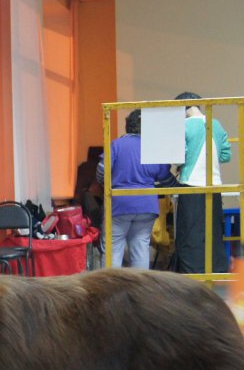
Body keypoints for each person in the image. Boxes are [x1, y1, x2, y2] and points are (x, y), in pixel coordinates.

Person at [95, 109, 173, 269]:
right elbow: (165, 177)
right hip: (147, 205)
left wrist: (104, 183)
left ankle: (109, 290)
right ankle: (140, 290)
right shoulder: (153, 147)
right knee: (140, 248)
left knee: (113, 249)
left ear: (127, 126)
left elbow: (102, 170)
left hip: (119, 204)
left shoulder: (117, 144)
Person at [173, 92, 232, 274]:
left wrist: (181, 166)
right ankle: (216, 270)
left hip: (191, 185)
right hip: (214, 185)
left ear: (184, 107)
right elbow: (226, 155)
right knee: (213, 232)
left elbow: (178, 155)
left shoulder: (183, 126)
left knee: (190, 234)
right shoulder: (216, 124)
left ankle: (193, 273)